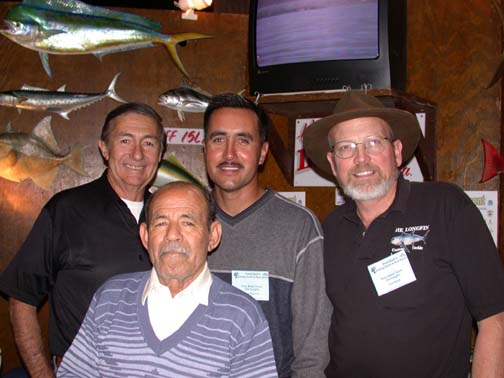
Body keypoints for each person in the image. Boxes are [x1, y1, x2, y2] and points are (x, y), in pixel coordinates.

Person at [303, 90, 504, 378]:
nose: (361, 159)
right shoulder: (329, 228)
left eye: (373, 142)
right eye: (346, 147)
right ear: (333, 163)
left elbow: (495, 318)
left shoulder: (446, 206)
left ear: (396, 152)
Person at [0, 102, 166, 377]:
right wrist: (42, 374)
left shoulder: (169, 218)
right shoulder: (66, 210)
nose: (137, 154)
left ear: (160, 153)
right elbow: (21, 296)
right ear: (104, 147)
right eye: (125, 140)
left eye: (149, 143)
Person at [57, 181, 278, 377]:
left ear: (213, 236)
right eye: (161, 223)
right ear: (145, 236)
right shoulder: (110, 298)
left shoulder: (242, 315)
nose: (172, 234)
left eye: (188, 223)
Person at [203, 93, 332, 378]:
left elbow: (312, 354)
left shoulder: (299, 227)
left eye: (243, 140)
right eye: (218, 139)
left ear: (262, 153)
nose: (229, 154)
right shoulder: (182, 222)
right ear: (205, 148)